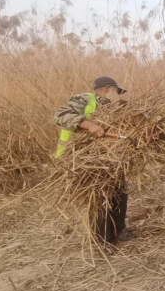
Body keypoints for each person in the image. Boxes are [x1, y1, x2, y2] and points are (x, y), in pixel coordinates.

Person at [54, 76, 135, 243]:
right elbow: (60, 115)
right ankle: (102, 240)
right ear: (107, 88)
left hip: (108, 159)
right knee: (99, 196)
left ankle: (119, 231)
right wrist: (90, 126)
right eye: (117, 91)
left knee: (120, 192)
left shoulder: (110, 107)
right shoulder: (85, 99)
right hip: (81, 157)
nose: (118, 95)